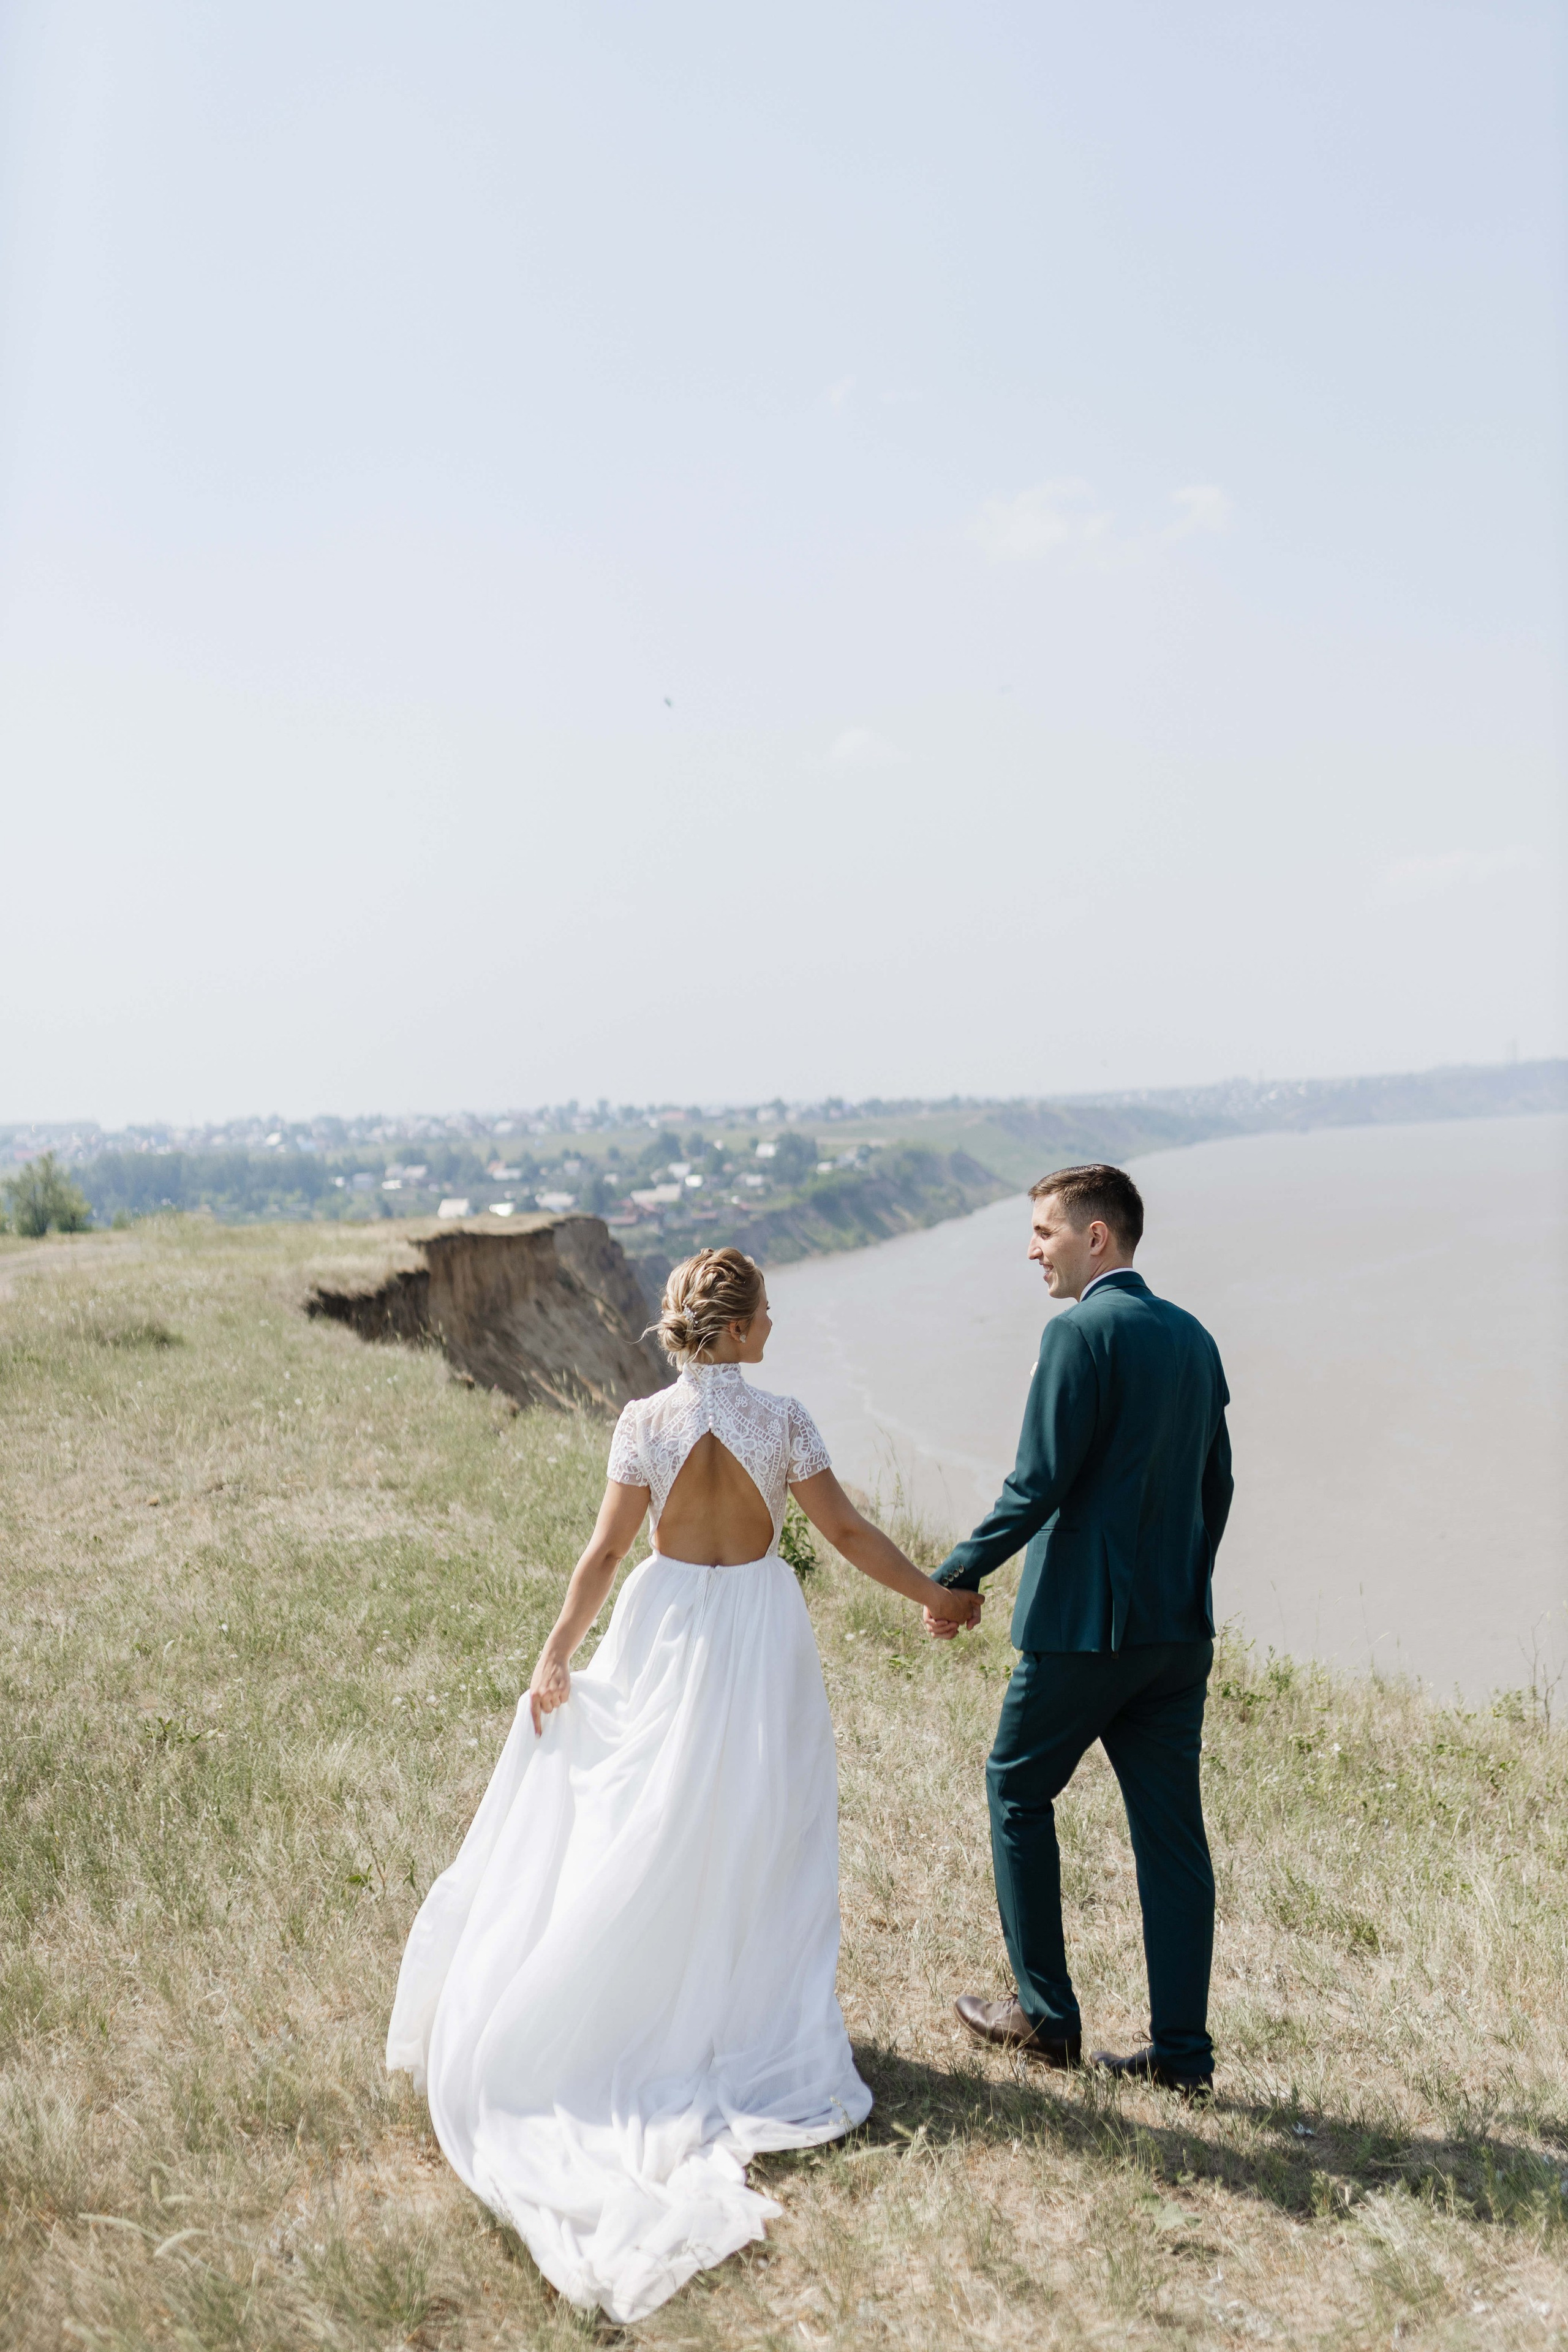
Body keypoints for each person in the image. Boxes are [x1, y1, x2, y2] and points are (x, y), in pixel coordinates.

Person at [386, 1245, 976, 2323]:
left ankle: (660, 1991)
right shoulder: (784, 1418)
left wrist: (556, 1653)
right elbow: (843, 1533)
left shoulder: (642, 1422)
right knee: (758, 1825)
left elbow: (604, 1556)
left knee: (649, 1813)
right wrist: (936, 1593)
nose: (774, 1331)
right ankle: (738, 2008)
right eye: (768, 1316)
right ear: (744, 1328)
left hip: (664, 1627)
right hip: (756, 1629)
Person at [924, 1164, 1233, 2096]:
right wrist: (1183, 1583)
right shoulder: (1195, 1338)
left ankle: (1046, 2019)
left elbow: (1038, 1482)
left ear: (1098, 1237)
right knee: (1173, 1840)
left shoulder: (1076, 1333)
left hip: (1081, 1631)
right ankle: (1182, 2057)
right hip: (1177, 1634)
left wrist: (955, 1574)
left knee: (1016, 1788)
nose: (1033, 1250)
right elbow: (1216, 1488)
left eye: (1046, 1232)